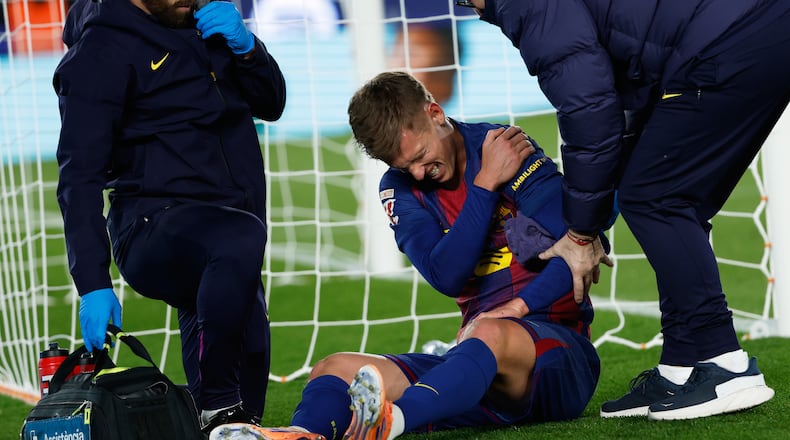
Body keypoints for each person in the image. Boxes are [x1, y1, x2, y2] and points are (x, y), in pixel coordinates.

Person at [213, 71, 608, 440]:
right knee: (335, 368)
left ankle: (391, 422)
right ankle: (303, 434)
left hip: (557, 362)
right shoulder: (401, 187)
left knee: (489, 332)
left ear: (435, 113)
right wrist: (485, 187)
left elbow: (580, 251)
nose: (418, 173)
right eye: (403, 166)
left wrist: (517, 308)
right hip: (476, 364)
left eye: (420, 155)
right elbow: (446, 275)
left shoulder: (504, 148)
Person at [460, 0, 789, 420]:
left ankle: (723, 361)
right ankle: (682, 365)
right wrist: (591, 217)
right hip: (751, 28)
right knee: (668, 197)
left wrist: (581, 232)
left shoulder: (528, 4)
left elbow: (590, 110)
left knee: (657, 198)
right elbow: (626, 91)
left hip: (733, 35)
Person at [53, 0, 286, 434]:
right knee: (236, 240)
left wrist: (248, 49)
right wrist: (92, 283)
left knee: (244, 414)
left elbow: (271, 104)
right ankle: (217, 407)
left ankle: (215, 419)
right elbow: (78, 177)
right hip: (150, 225)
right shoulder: (101, 49)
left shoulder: (204, 20)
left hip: (230, 233)